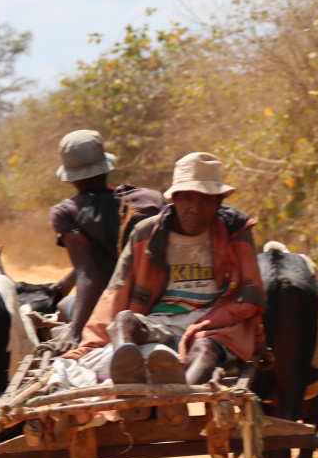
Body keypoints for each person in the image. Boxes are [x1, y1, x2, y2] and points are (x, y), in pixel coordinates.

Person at [63, 152, 266, 387]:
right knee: (123, 321)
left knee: (206, 349)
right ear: (175, 199)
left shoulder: (235, 231)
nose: (195, 208)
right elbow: (115, 294)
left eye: (206, 200)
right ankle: (128, 374)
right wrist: (85, 349)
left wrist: (259, 342)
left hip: (214, 326)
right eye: (187, 198)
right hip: (160, 323)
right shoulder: (146, 234)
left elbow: (252, 297)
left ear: (218, 203)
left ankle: (177, 400)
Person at [48, 130, 164, 354]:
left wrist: (76, 331)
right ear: (106, 166)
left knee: (63, 307)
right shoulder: (151, 199)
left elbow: (89, 273)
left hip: (107, 307)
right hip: (156, 300)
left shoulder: (67, 211)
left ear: (71, 177)